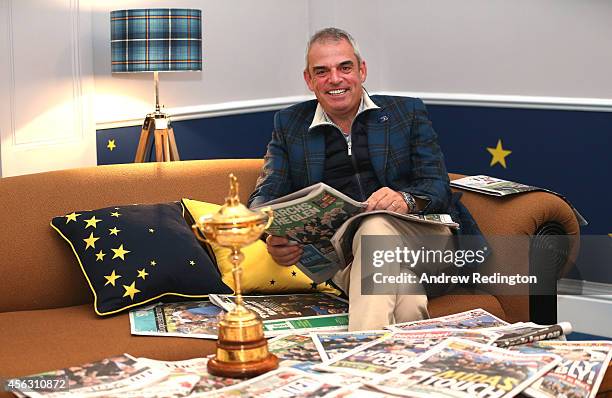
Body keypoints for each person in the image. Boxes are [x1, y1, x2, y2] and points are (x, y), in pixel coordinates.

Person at [248, 27, 481, 331]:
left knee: (374, 227)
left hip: (426, 240)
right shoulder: (289, 124)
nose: (335, 79)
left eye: (345, 67)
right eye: (322, 71)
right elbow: (265, 195)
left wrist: (404, 200)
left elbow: (436, 184)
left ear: (362, 70)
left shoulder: (405, 112)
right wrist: (271, 234)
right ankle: (400, 371)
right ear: (308, 79)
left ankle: (360, 354)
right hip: (346, 259)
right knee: (407, 300)